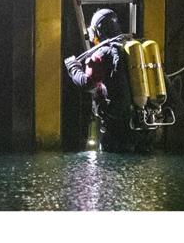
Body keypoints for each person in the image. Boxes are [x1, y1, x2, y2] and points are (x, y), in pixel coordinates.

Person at [64, 9, 152, 153]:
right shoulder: (134, 49)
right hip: (142, 124)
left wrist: (73, 67)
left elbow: (87, 83)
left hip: (115, 125)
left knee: (111, 166)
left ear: (98, 31)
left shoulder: (102, 54)